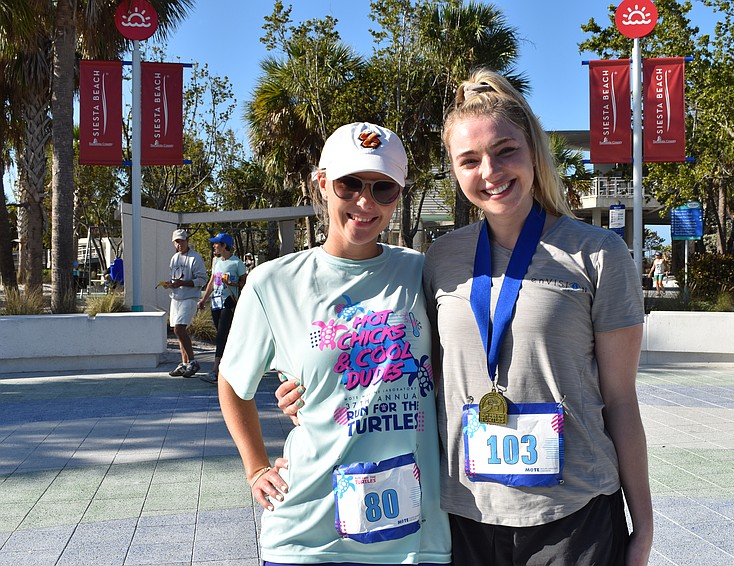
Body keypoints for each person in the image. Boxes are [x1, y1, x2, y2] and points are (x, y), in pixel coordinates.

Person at [277, 70, 653, 565]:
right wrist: (312, 392)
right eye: (470, 160)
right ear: (455, 171)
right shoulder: (440, 259)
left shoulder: (599, 253)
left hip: (574, 513)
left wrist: (643, 526)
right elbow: (400, 363)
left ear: (533, 153)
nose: (490, 172)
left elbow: (621, 401)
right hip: (464, 516)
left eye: (505, 151)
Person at [216, 122, 451, 565]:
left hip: (416, 538)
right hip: (309, 535)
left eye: (383, 188)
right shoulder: (273, 283)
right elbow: (232, 382)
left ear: (398, 195)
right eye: (350, 184)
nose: (365, 202)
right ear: (323, 184)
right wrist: (256, 467)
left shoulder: (422, 272)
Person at [198, 232, 248, 384]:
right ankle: (228, 367)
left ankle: (215, 370)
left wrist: (233, 283)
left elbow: (245, 282)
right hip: (216, 302)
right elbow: (212, 282)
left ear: (224, 245)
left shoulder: (236, 263)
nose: (214, 246)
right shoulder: (216, 261)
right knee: (222, 336)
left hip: (229, 301)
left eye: (216, 244)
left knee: (221, 335)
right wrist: (203, 300)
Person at [165, 228, 207, 378]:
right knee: (178, 332)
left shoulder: (195, 258)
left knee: (179, 329)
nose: (180, 244)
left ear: (187, 241)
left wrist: (182, 283)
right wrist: (171, 284)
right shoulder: (174, 258)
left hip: (190, 298)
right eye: (177, 241)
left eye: (182, 241)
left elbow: (202, 279)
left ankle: (193, 362)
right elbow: (175, 278)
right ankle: (184, 363)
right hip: (176, 297)